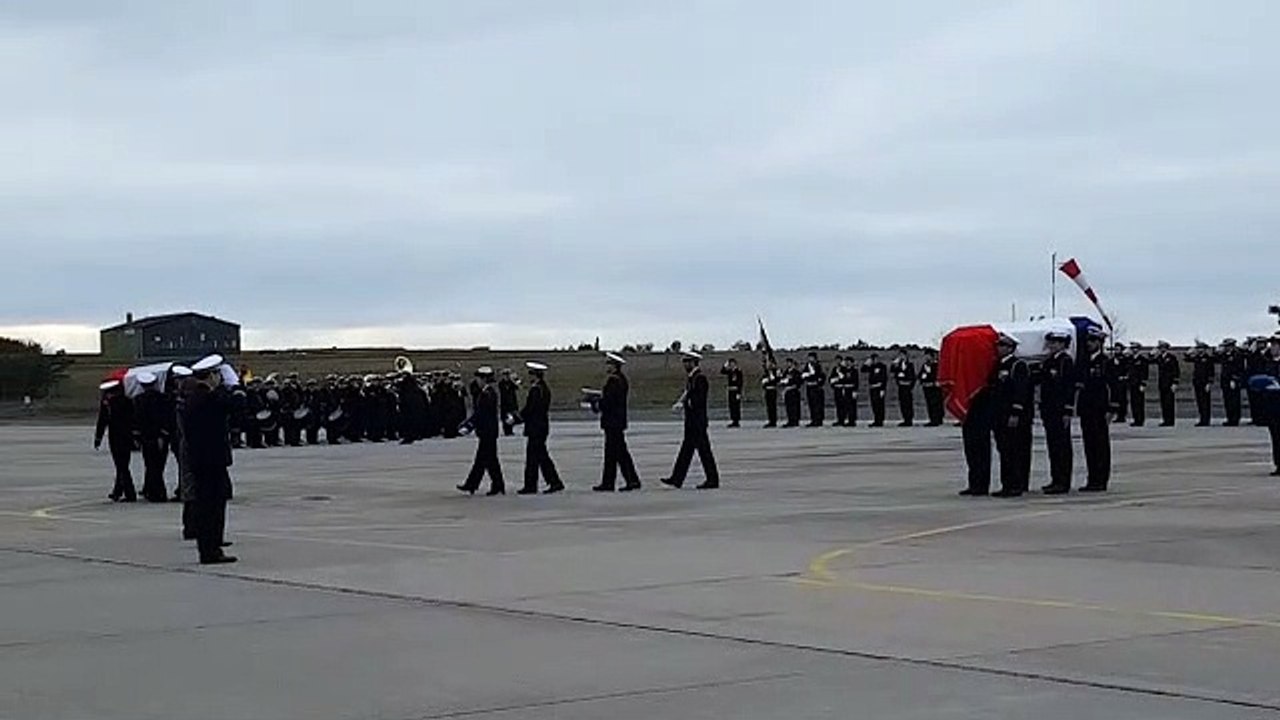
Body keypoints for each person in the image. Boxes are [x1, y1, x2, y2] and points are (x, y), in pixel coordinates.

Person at [181, 355, 237, 564]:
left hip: (200, 459)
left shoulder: (193, 398)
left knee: (206, 505)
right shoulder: (209, 398)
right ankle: (211, 549)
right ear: (212, 375)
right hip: (212, 460)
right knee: (213, 507)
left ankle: (209, 547)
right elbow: (237, 405)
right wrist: (234, 386)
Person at [661, 351, 721, 489]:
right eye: (684, 362)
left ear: (693, 362)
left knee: (704, 451)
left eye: (687, 362)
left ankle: (712, 479)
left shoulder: (700, 378)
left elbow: (699, 400)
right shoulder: (692, 377)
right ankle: (677, 478)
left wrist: (685, 404)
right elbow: (688, 393)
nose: (684, 365)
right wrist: (681, 402)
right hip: (692, 421)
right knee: (686, 451)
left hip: (697, 422)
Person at [991, 334, 1033, 498]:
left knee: (1013, 450)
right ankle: (1007, 484)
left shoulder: (1018, 365)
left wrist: (1016, 412)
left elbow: (1020, 391)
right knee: (1004, 450)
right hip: (1000, 415)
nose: (999, 348)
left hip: (1012, 416)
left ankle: (1015, 484)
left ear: (1010, 348)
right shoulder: (997, 365)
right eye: (998, 345)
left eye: (1002, 345)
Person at [593, 352, 642, 492]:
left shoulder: (613, 381)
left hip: (612, 421)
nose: (607, 366)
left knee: (615, 453)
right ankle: (624, 480)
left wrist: (597, 403)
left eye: (609, 364)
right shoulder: (621, 379)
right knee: (617, 453)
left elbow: (609, 401)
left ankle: (619, 482)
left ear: (614, 366)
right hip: (617, 421)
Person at [457, 367, 505, 496]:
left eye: (478, 378)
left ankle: (473, 484)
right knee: (489, 460)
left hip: (488, 431)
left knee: (484, 460)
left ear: (484, 379)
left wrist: (469, 425)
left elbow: (481, 414)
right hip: (487, 431)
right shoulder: (485, 393)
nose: (477, 381)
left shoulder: (488, 394)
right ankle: (496, 485)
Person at [518, 362, 564, 495]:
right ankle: (553, 482)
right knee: (541, 456)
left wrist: (518, 418)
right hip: (541, 426)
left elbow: (531, 409)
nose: (529, 376)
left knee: (534, 457)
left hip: (535, 427)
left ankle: (533, 485)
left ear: (535, 375)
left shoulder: (536, 389)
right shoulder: (543, 388)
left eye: (531, 374)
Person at [1039, 330, 1075, 495]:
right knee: (1053, 446)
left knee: (1062, 446)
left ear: (1062, 344)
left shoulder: (1065, 362)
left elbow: (1069, 387)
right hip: (1049, 409)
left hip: (1060, 410)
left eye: (1054, 342)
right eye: (1050, 342)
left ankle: (1063, 481)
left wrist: (1068, 409)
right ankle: (1055, 479)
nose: (1051, 345)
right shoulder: (1048, 362)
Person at [1077, 327, 1112, 492]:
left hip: (1100, 408)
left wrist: (1112, 408)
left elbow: (1113, 386)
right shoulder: (1084, 362)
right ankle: (1092, 478)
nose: (1089, 344)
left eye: (1093, 341)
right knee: (1089, 444)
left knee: (1100, 444)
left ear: (1100, 343)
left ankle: (1101, 479)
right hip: (1086, 408)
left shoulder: (1106, 362)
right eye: (1088, 341)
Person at [94, 379, 137, 503]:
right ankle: (118, 491)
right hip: (127, 436)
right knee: (122, 464)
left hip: (117, 437)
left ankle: (130, 493)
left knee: (121, 465)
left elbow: (103, 421)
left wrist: (98, 438)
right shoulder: (127, 401)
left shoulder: (109, 404)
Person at [133, 371, 172, 503]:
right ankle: (154, 490)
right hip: (161, 436)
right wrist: (164, 433)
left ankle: (155, 492)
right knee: (159, 465)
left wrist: (137, 437)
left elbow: (137, 420)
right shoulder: (163, 398)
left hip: (147, 437)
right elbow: (166, 418)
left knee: (150, 464)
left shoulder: (138, 400)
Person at [1261, 334, 1280, 476]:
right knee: (1275, 436)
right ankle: (1279, 464)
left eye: (1275, 345)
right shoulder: (1268, 363)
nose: (1273, 348)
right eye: (1272, 345)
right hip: (1272, 406)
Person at [1219, 338, 1246, 426]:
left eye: (1228, 346)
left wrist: (1234, 379)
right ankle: (1229, 418)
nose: (1227, 348)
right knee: (1227, 401)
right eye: (1225, 346)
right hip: (1225, 381)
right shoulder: (1224, 355)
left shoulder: (1237, 355)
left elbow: (1240, 369)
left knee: (1234, 401)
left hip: (1233, 380)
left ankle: (1235, 419)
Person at [1188, 341, 1216, 426]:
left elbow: (1211, 372)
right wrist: (1190, 351)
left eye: (1201, 348)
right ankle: (1201, 419)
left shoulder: (1208, 359)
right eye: (1198, 348)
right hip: (1197, 382)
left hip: (1205, 383)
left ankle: (1206, 420)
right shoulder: (1196, 358)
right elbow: (1186, 358)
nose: (1200, 350)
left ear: (1205, 349)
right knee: (1199, 401)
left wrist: (1209, 383)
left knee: (1205, 402)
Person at [1154, 341, 1181, 427]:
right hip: (1162, 383)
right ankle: (1165, 419)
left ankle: (1170, 420)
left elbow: (1176, 370)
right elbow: (1150, 361)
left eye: (1163, 348)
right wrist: (1151, 354)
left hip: (1169, 383)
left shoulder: (1171, 358)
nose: (1161, 349)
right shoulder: (1159, 357)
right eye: (1160, 348)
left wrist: (1175, 383)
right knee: (1163, 403)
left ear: (1166, 348)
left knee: (1169, 403)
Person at [890, 347, 917, 427]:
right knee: (902, 403)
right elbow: (892, 371)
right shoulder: (898, 365)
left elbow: (913, 376)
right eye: (900, 355)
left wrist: (911, 386)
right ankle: (905, 419)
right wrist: (894, 363)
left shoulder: (910, 365)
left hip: (907, 386)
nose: (901, 357)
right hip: (901, 386)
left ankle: (909, 419)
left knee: (908, 403)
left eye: (903, 355)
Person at [862, 352, 889, 427]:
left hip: (879, 387)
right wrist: (866, 363)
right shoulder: (871, 366)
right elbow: (863, 370)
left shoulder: (882, 366)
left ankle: (880, 420)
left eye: (876, 359)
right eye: (873, 359)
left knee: (880, 405)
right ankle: (876, 419)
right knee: (874, 404)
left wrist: (883, 389)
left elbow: (884, 378)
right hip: (872, 387)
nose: (875, 360)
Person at [919, 348, 944, 427]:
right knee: (929, 403)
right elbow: (921, 375)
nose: (926, 357)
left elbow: (937, 375)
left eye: (928, 356)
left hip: (934, 387)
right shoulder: (925, 365)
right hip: (927, 387)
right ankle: (932, 418)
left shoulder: (936, 365)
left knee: (936, 403)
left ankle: (936, 419)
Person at [1127, 343, 1150, 427]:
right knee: (1133, 402)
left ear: (1139, 349)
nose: (1134, 350)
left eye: (1135, 348)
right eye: (1132, 348)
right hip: (1132, 383)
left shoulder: (1142, 360)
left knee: (1139, 402)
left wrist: (1143, 383)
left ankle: (1140, 420)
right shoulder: (1130, 359)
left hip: (1139, 383)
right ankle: (1135, 419)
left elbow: (1145, 372)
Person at [1106, 345, 1130, 424]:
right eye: (1115, 349)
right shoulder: (1111, 361)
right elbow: (1108, 371)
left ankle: (1122, 415)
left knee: (1122, 399)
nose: (1116, 351)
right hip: (1113, 383)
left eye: (1118, 349)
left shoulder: (1125, 360)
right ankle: (1115, 414)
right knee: (1114, 399)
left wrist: (1124, 377)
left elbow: (1127, 369)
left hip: (1122, 382)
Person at [803, 352, 827, 427]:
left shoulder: (818, 366)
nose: (810, 359)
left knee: (817, 405)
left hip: (816, 387)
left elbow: (820, 376)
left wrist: (814, 377)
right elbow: (804, 374)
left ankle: (818, 420)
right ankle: (813, 419)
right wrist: (808, 375)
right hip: (809, 386)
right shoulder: (807, 365)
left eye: (811, 358)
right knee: (811, 404)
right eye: (809, 358)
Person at [720, 358, 744, 428]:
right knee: (731, 406)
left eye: (732, 364)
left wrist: (739, 393)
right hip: (730, 390)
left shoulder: (738, 371)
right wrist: (725, 364)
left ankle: (736, 421)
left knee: (736, 406)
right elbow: (722, 371)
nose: (731, 365)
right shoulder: (730, 371)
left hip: (736, 390)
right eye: (730, 364)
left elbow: (740, 382)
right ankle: (733, 419)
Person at [498, 368, 521, 436]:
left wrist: (515, 379)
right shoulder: (501, 383)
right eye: (505, 375)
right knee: (504, 417)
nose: (506, 377)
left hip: (512, 402)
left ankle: (510, 430)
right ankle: (506, 430)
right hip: (504, 403)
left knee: (512, 416)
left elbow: (518, 386)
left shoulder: (511, 383)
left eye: (508, 375)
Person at [782, 358, 803, 428]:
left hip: (794, 390)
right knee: (788, 407)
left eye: (790, 363)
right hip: (787, 391)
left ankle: (795, 421)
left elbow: (799, 382)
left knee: (795, 407)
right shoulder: (786, 372)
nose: (788, 364)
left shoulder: (796, 372)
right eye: (787, 363)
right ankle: (790, 420)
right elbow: (782, 379)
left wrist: (791, 381)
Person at [760, 360, 780, 428]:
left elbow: (777, 379)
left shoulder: (775, 371)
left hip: (772, 390)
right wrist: (764, 381)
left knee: (773, 406)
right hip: (767, 390)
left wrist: (771, 377)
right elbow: (763, 380)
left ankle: (773, 421)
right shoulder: (766, 372)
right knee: (769, 406)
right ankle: (770, 420)